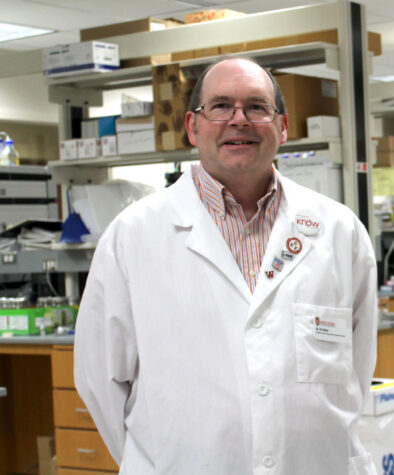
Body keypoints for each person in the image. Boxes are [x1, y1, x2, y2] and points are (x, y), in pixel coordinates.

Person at [74, 57, 378, 474]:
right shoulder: (132, 235)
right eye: (220, 107)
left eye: (257, 107)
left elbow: (357, 371)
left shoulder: (338, 230)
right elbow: (100, 378)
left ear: (283, 126)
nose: (240, 120)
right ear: (192, 126)